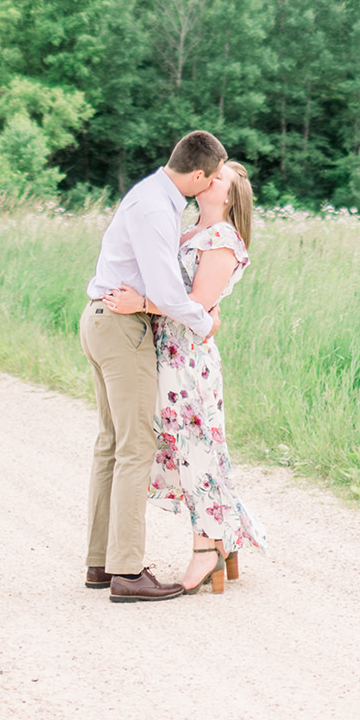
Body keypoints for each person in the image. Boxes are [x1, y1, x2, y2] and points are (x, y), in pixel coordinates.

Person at [103, 158, 264, 595]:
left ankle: (205, 548)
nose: (210, 178)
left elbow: (195, 304)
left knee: (197, 449)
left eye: (220, 178)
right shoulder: (188, 230)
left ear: (228, 195)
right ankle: (223, 539)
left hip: (189, 359)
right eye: (211, 173)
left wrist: (140, 303)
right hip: (168, 352)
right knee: (183, 445)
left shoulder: (223, 240)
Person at [80, 128, 227, 602]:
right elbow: (166, 294)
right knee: (135, 446)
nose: (213, 187)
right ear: (199, 174)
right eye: (213, 179)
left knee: (112, 443)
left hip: (105, 321)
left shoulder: (153, 197)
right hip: (121, 329)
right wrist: (203, 322)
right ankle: (126, 572)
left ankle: (101, 564)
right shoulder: (154, 209)